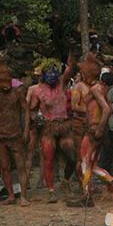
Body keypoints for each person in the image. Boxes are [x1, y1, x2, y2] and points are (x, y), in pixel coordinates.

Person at [67, 54, 113, 207]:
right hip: (94, 129)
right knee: (90, 164)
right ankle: (100, 191)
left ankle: (87, 196)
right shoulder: (101, 87)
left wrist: (99, 128)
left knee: (86, 163)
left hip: (94, 130)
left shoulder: (95, 88)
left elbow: (106, 109)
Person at [30, 52, 76, 203]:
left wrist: (71, 53)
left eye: (54, 72)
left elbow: (70, 68)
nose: (51, 75)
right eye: (48, 73)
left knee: (72, 156)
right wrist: (35, 119)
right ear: (43, 75)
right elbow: (32, 110)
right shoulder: (37, 90)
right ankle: (51, 191)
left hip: (64, 125)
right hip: (49, 127)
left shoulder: (62, 82)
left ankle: (65, 182)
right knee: (48, 160)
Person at [0, 65, 30, 206]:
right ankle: (11, 195)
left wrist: (26, 130)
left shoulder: (17, 93)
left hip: (16, 134)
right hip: (0, 136)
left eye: (7, 80)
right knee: (5, 167)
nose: (5, 84)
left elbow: (26, 111)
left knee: (20, 166)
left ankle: (23, 196)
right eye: (1, 81)